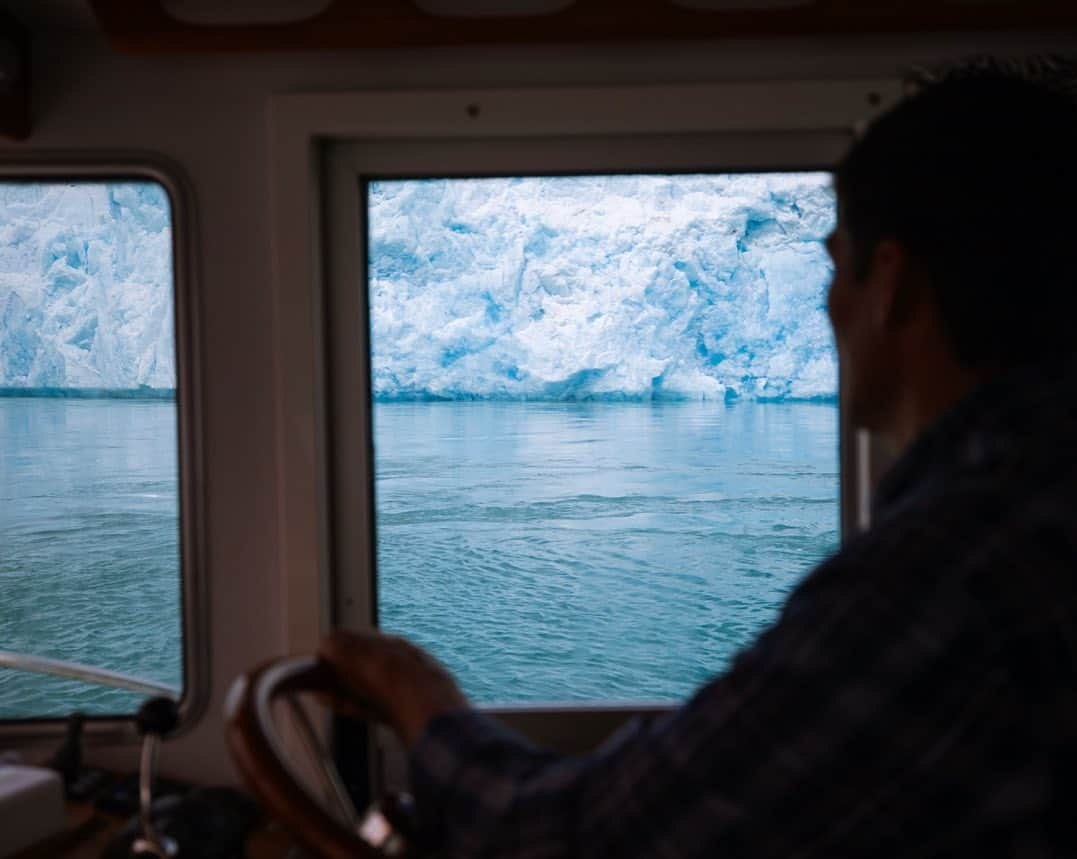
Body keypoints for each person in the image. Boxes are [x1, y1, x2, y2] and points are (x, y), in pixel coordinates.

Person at [320, 67, 1077, 856]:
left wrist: (421, 698)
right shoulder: (1032, 504)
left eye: (831, 261)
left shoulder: (941, 575)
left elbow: (590, 838)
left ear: (889, 282)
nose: (826, 304)